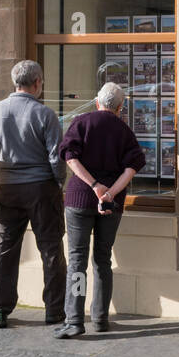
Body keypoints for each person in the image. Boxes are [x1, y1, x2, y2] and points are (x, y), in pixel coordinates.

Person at [0, 60, 67, 329]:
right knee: (50, 249)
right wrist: (58, 183)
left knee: (3, 250)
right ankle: (54, 310)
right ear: (38, 82)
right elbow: (56, 158)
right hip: (40, 187)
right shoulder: (45, 114)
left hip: (5, 188)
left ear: (15, 82)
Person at [52, 82, 145, 338]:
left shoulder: (82, 123)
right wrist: (110, 194)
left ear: (97, 102)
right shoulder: (124, 130)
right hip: (111, 204)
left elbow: (70, 157)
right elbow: (132, 167)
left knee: (77, 260)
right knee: (103, 259)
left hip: (80, 200)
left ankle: (74, 320)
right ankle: (101, 317)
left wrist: (94, 186)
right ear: (120, 107)